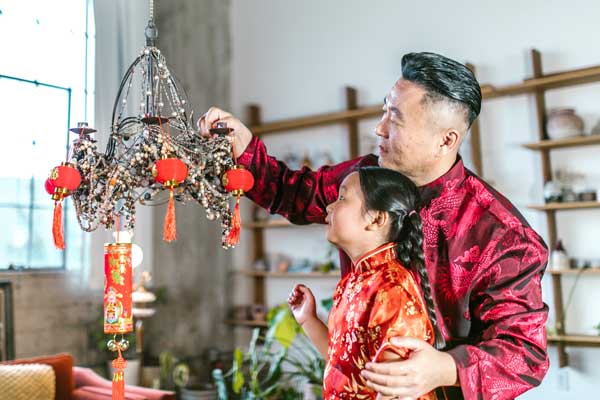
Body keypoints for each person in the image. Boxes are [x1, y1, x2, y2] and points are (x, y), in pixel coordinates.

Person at [199, 52, 549, 399]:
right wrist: (243, 148)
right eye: (384, 110)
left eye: (394, 119)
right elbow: (294, 194)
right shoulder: (367, 178)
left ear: (446, 140)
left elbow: (525, 354)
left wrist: (443, 369)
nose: (378, 128)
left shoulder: (502, 235)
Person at [288, 166, 445, 399]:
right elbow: (342, 364)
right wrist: (308, 320)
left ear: (377, 219)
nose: (329, 206)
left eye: (342, 197)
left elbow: (394, 390)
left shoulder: (392, 288)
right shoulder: (353, 281)